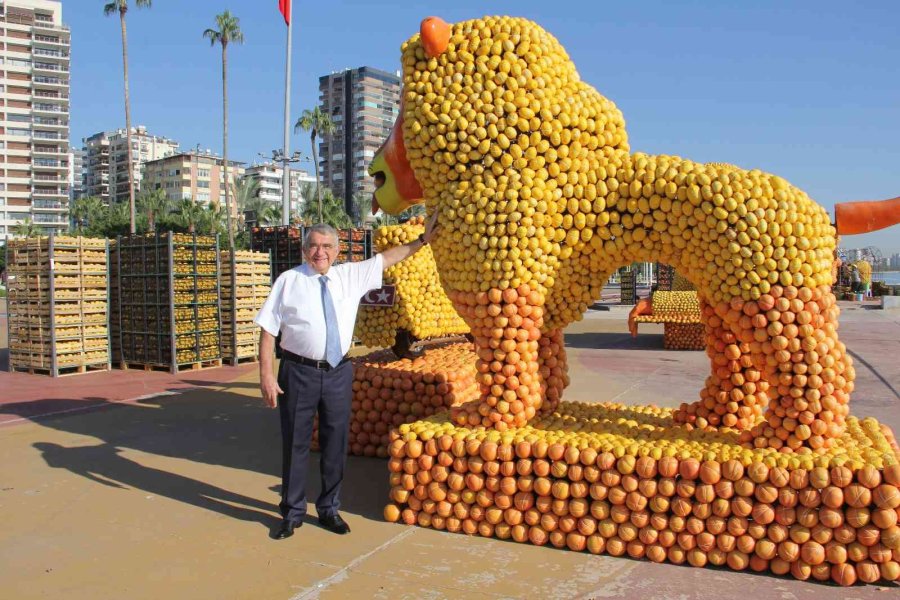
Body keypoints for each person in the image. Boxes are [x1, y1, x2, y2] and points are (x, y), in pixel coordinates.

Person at [255, 213, 439, 540]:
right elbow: (268, 331)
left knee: (335, 442)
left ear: (338, 250)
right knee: (296, 444)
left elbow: (388, 257)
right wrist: (267, 376)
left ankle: (329, 509)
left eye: (326, 246)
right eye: (313, 246)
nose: (319, 252)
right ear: (304, 250)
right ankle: (292, 512)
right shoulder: (289, 281)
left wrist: (422, 240)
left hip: (338, 373)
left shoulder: (350, 276)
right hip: (298, 372)